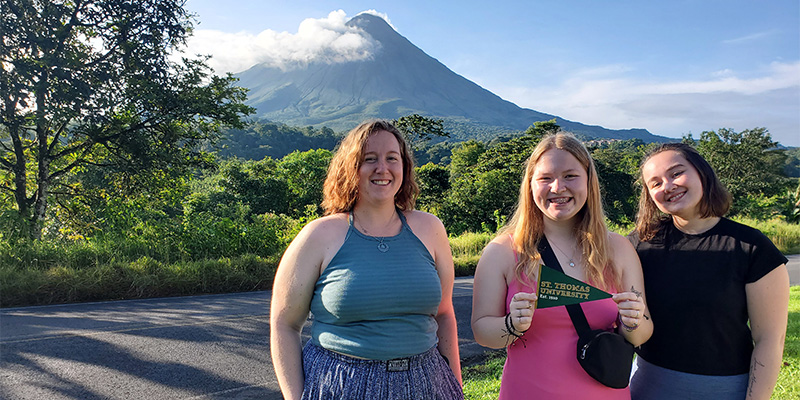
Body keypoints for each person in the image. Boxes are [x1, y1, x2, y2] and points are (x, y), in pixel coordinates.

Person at [270, 120, 463, 400]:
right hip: (341, 385)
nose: (381, 168)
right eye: (368, 159)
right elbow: (284, 324)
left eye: (391, 159)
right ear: (350, 168)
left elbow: (444, 314)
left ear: (404, 167)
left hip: (428, 382)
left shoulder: (431, 229)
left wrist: (455, 386)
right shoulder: (319, 235)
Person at [471, 132, 653, 399]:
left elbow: (642, 333)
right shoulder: (502, 251)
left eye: (570, 176)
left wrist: (634, 320)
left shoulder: (617, 248)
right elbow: (482, 332)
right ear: (530, 185)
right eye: (545, 178)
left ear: (589, 182)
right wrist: (512, 325)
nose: (557, 188)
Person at [629, 142, 789, 400]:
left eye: (676, 173)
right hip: (647, 387)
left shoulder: (751, 247)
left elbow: (770, 339)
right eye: (655, 183)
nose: (668, 186)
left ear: (702, 173)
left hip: (725, 390)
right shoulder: (639, 245)